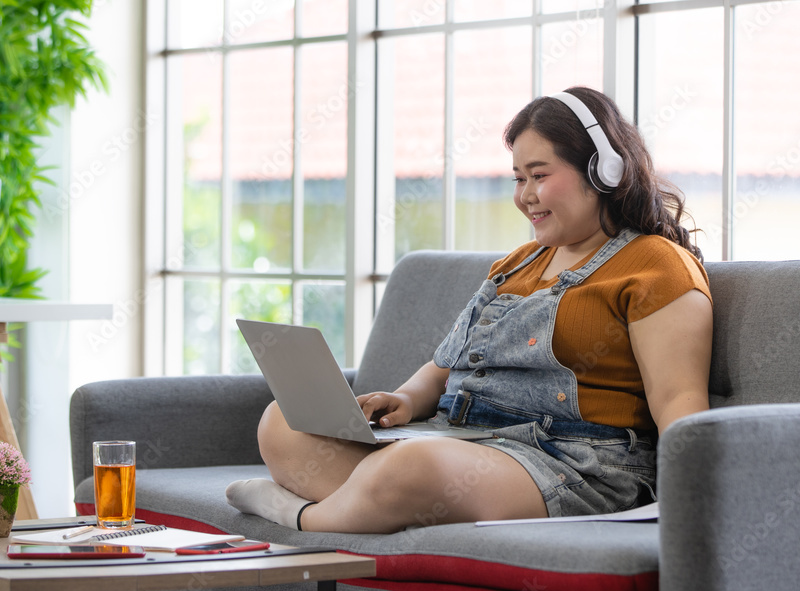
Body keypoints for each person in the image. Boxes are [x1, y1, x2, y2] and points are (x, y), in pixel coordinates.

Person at [226, 86, 713, 534]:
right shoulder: (515, 265)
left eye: (539, 176)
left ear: (603, 170)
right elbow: (447, 365)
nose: (525, 196)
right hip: (463, 440)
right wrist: (407, 400)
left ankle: (305, 515)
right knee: (283, 422)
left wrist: (692, 505)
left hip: (570, 463)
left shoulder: (657, 265)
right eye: (519, 178)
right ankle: (377, 503)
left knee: (408, 469)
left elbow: (678, 404)